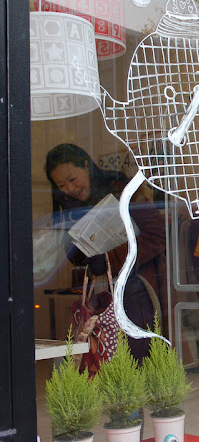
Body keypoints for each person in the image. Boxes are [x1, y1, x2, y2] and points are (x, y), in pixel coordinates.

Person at [45, 143, 167, 367]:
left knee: (135, 359)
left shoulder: (122, 189)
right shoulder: (69, 206)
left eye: (72, 179)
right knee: (102, 360)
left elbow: (157, 235)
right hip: (102, 295)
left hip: (138, 291)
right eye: (61, 185)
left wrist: (110, 259)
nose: (69, 188)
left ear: (86, 166)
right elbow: (74, 257)